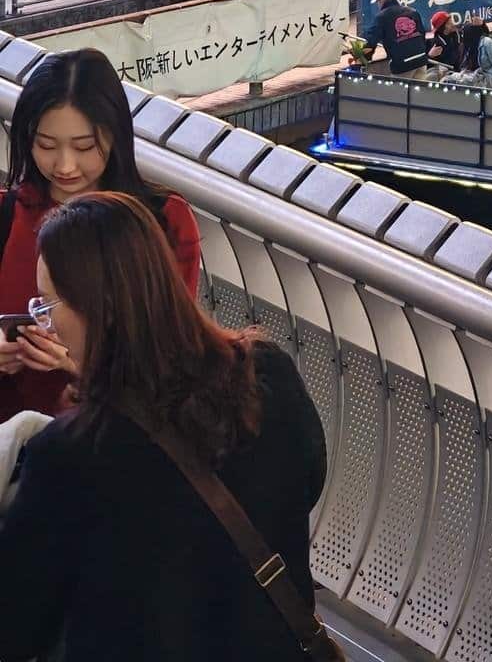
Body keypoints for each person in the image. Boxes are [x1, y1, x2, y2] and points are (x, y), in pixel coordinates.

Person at [0, 191, 328, 662]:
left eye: (49, 307)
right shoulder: (267, 373)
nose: (47, 326)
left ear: (98, 308)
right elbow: (306, 483)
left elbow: (17, 627)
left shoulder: (71, 453)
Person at [0, 49, 201, 426]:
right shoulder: (6, 214)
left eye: (84, 147)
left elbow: (173, 356)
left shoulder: (163, 220)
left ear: (116, 136)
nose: (65, 166)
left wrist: (79, 364)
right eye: (46, 145)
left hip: (113, 441)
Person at [376, 0, 428, 77]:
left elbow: (372, 39)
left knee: (398, 85)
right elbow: (422, 34)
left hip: (402, 64)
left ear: (382, 0)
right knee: (419, 84)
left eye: (378, 2)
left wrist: (364, 57)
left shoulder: (382, 17)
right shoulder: (412, 11)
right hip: (421, 60)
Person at [457, 20, 492, 90]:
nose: (463, 36)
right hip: (475, 78)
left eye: (464, 34)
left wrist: (484, 77)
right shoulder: (470, 46)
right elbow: (467, 65)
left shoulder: (490, 44)